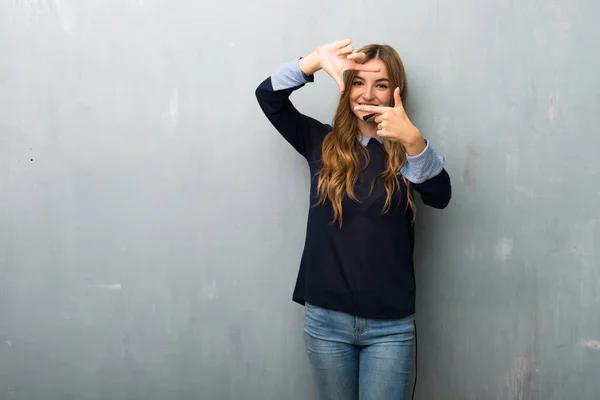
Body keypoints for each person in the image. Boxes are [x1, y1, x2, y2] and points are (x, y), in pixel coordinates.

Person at [255, 39, 451, 400]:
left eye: (380, 84)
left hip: (390, 328)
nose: (368, 94)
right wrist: (312, 62)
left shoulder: (409, 152)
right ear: (345, 88)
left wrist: (414, 142)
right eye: (358, 82)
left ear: (396, 92)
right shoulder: (320, 142)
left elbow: (441, 197)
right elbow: (268, 96)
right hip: (326, 322)